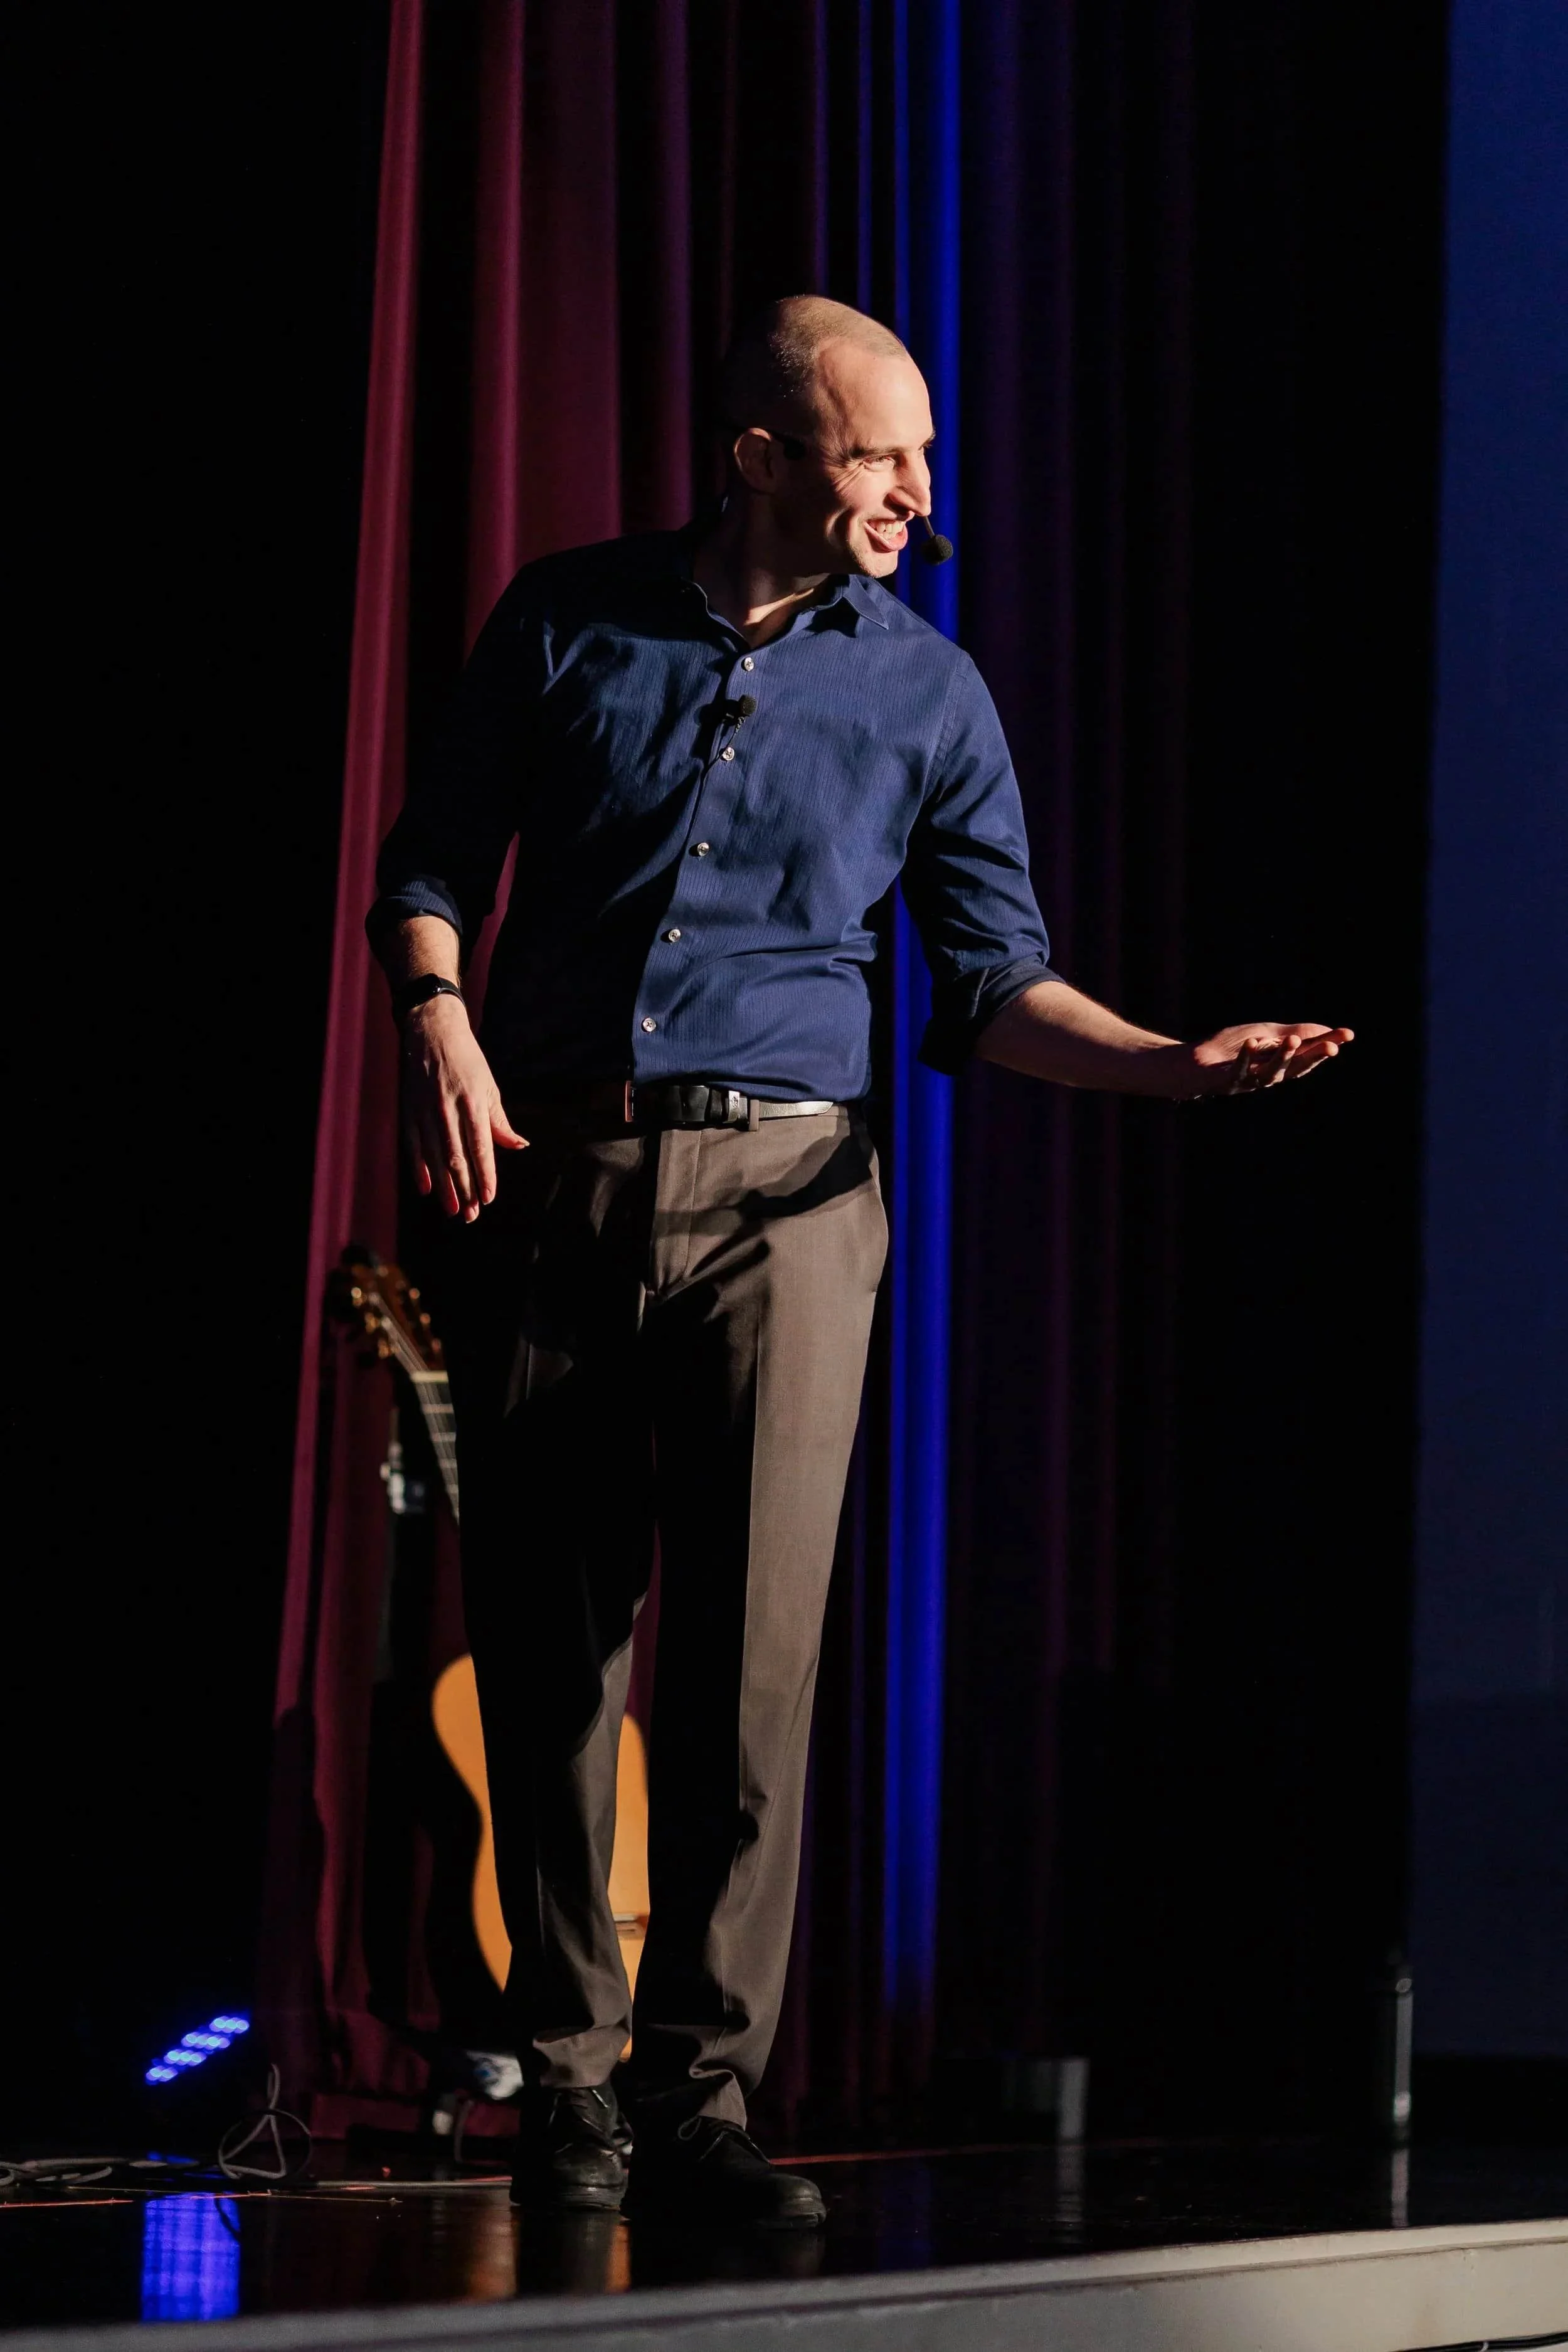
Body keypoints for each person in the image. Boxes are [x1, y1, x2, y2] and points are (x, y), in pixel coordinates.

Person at [368, 295, 1351, 2227]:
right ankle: (559, 2085)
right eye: (874, 452)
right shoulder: (569, 615)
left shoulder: (925, 692)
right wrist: (435, 1010)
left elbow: (990, 989)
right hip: (557, 1176)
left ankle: (696, 2095)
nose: (916, 490)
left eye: (918, 454)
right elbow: (429, 851)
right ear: (756, 455)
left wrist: (1166, 1064)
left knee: (752, 1670)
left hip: (793, 1205)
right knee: (554, 1650)